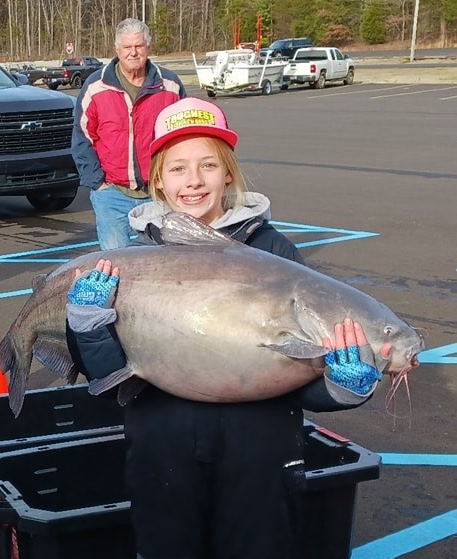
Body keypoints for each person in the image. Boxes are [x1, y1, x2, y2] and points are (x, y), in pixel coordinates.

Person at [65, 98, 385, 559]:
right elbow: (106, 374)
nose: (192, 181)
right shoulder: (131, 260)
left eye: (207, 166)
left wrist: (341, 386)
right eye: (177, 169)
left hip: (261, 454)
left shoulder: (275, 253)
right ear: (158, 180)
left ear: (229, 173)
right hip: (162, 450)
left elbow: (299, 383)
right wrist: (89, 326)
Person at [72, 18, 186, 250]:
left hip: (160, 192)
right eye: (127, 47)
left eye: (139, 46)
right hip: (112, 193)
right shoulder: (96, 86)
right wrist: (98, 183)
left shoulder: (170, 86)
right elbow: (82, 137)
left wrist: (177, 180)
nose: (133, 53)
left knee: (164, 259)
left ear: (148, 48)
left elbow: (185, 138)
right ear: (117, 50)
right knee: (116, 262)